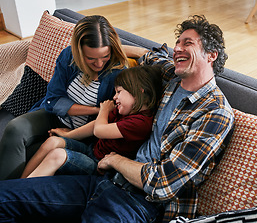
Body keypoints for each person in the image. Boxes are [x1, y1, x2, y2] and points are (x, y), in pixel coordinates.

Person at [0, 15, 234, 222]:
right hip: (102, 180)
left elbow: (164, 184)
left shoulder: (215, 113)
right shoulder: (170, 75)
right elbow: (151, 55)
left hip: (137, 202)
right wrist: (114, 48)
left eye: (188, 43)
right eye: (178, 43)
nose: (178, 49)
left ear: (211, 55)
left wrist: (115, 160)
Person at [0, 15, 143, 180]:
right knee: (15, 128)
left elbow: (111, 117)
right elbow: (52, 100)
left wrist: (73, 133)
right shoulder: (68, 56)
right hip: (53, 117)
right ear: (79, 51)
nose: (99, 64)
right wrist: (97, 109)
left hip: (84, 132)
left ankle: (8, 194)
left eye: (105, 56)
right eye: (91, 58)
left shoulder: (118, 73)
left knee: (27, 154)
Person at [21, 65, 163, 178]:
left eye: (119, 92)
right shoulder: (126, 111)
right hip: (92, 150)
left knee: (58, 155)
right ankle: (18, 183)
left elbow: (99, 130)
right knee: (53, 142)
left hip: (98, 166)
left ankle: (19, 195)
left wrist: (103, 110)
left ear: (139, 91)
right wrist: (68, 135)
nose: (115, 97)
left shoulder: (141, 123)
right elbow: (95, 125)